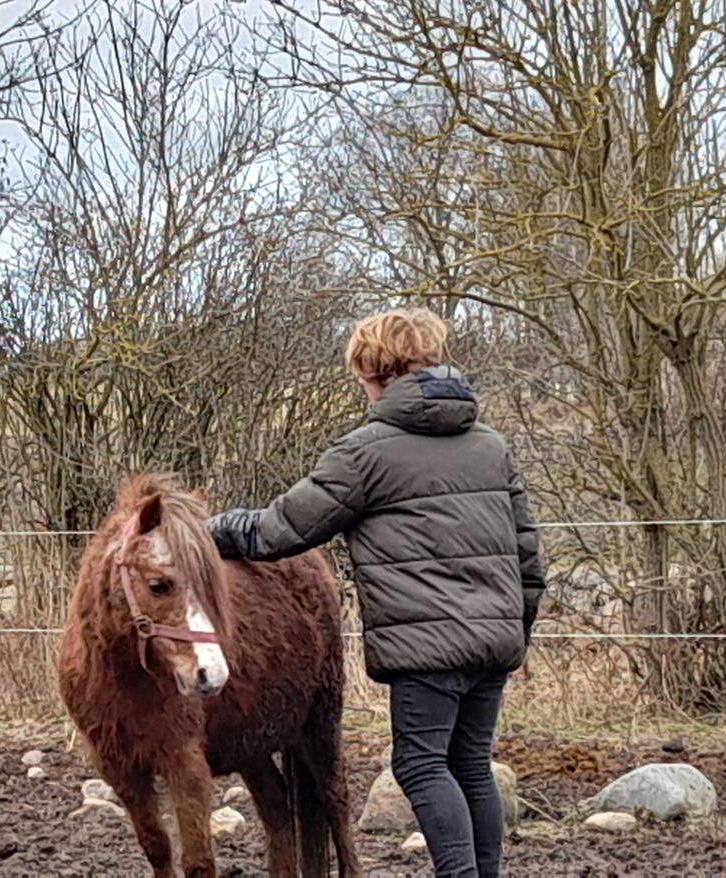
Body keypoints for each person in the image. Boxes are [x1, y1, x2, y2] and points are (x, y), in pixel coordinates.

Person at [206, 307, 546, 878]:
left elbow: (280, 530)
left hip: (426, 647)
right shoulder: (490, 444)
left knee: (419, 764)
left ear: (373, 371)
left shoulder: (367, 450)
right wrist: (519, 634)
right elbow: (528, 553)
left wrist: (207, 530)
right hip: (495, 641)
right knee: (469, 763)